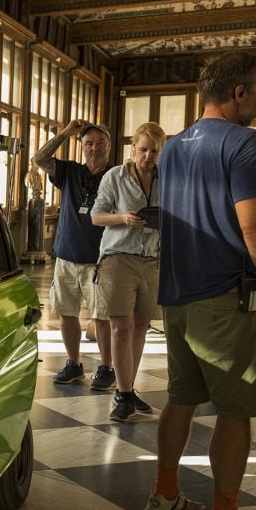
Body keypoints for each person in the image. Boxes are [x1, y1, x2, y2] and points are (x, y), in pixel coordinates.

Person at [143, 50, 256, 510]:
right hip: (225, 297)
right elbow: (254, 228)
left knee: (181, 399)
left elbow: (203, 199)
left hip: (178, 295)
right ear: (239, 93)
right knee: (235, 411)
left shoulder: (174, 147)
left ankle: (165, 494)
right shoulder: (246, 141)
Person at [90, 122, 165, 422]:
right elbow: (96, 216)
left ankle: (129, 389)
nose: (148, 156)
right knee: (121, 326)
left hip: (151, 259)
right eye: (143, 149)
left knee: (141, 325)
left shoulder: (166, 178)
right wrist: (122, 217)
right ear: (133, 148)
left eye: (154, 151)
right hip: (118, 257)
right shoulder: (115, 176)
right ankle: (122, 393)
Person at [32, 120, 114, 390]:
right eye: (88, 144)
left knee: (101, 318)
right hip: (66, 258)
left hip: (100, 260)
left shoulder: (116, 176)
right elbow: (39, 158)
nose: (94, 148)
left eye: (99, 143)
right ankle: (74, 363)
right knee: (67, 314)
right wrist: (66, 132)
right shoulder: (69, 171)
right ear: (82, 147)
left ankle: (106, 367)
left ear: (108, 147)